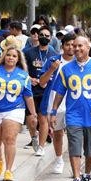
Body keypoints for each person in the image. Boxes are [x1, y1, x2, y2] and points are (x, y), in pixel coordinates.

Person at [50, 36, 91, 181]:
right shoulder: (66, 69)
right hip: (73, 115)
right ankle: (76, 179)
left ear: (88, 47)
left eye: (79, 46)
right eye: (73, 46)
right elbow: (60, 92)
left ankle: (87, 175)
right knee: (74, 147)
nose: (76, 49)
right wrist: (53, 111)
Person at [0, 45, 37, 181]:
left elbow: (28, 96)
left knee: (10, 139)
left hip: (14, 109)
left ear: (18, 59)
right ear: (4, 56)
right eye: (9, 55)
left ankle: (9, 170)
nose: (11, 58)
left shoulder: (23, 75)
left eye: (14, 56)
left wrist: (33, 114)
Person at [38, 33, 76, 174]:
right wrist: (52, 69)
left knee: (74, 135)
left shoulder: (80, 63)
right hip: (56, 104)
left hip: (74, 104)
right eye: (68, 45)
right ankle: (59, 159)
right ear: (62, 46)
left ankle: (75, 164)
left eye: (74, 45)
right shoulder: (53, 61)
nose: (71, 48)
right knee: (58, 134)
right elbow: (42, 82)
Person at [24, 26, 58, 156]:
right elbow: (22, 70)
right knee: (31, 120)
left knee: (42, 118)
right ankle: (33, 137)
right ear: (38, 36)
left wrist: (47, 82)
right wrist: (29, 78)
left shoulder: (54, 54)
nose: (44, 37)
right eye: (42, 34)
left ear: (50, 38)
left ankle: (41, 146)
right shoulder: (28, 52)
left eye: (47, 35)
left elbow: (57, 73)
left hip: (46, 91)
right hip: (31, 90)